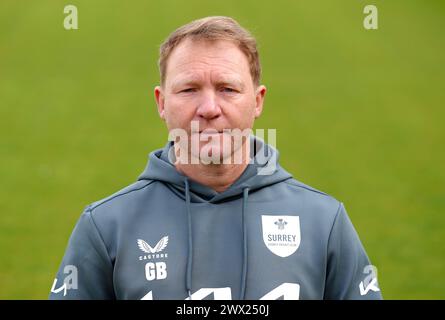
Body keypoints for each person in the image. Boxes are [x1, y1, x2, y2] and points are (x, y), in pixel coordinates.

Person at [49, 16, 382, 300]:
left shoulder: (323, 222)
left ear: (257, 101)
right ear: (161, 102)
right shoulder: (106, 226)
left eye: (228, 89)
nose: (209, 109)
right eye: (189, 89)